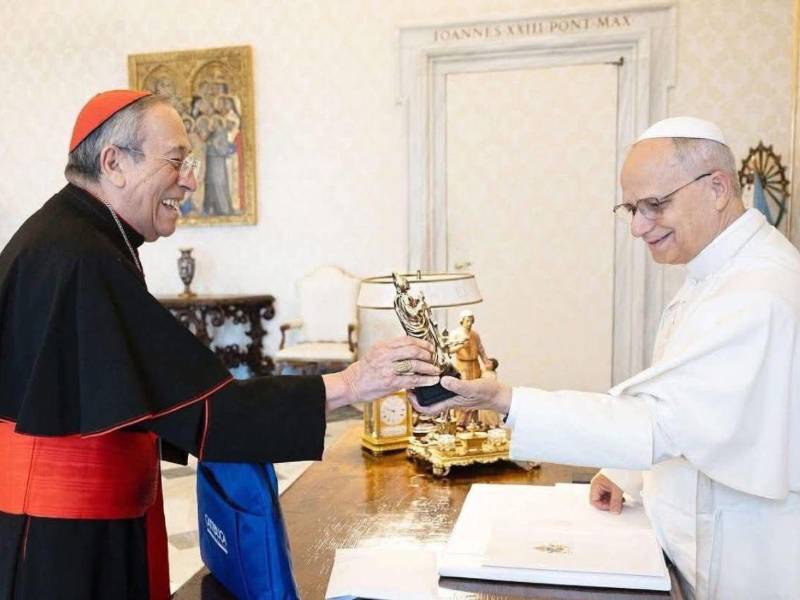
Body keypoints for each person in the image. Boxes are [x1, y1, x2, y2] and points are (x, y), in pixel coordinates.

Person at [0, 90, 440, 600]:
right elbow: (203, 407)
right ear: (114, 163)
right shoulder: (79, 256)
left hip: (75, 523)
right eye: (176, 160)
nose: (189, 177)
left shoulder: (71, 237)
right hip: (66, 544)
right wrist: (352, 383)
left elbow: (157, 392)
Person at [413, 117, 800, 599]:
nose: (638, 227)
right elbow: (697, 413)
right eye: (632, 208)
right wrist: (628, 473)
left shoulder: (758, 291)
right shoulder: (718, 272)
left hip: (744, 555)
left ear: (717, 187)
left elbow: (663, 421)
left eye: (655, 205)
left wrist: (504, 400)